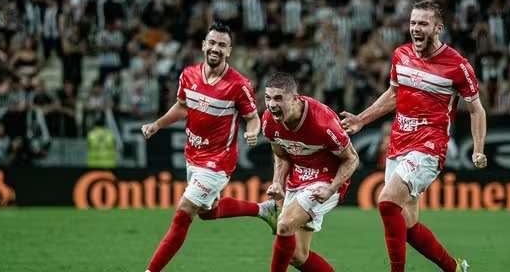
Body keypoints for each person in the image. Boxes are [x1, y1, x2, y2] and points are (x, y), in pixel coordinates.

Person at [340, 0, 487, 272]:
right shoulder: (401, 55)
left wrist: (478, 149)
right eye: (412, 23)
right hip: (398, 143)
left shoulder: (458, 66)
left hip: (429, 146)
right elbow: (394, 94)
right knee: (406, 225)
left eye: (423, 23)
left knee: (386, 202)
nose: (415, 28)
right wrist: (361, 119)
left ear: (438, 27)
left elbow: (476, 110)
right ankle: (455, 268)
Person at [141, 22, 279, 272]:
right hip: (193, 156)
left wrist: (251, 132)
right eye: (212, 42)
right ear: (204, 45)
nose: (216, 48)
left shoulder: (239, 84)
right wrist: (157, 124)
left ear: (229, 51)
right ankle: (263, 210)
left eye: (222, 45)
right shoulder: (189, 74)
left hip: (218, 161)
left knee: (183, 212)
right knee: (207, 212)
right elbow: (183, 106)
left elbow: (252, 116)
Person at [262, 72, 359, 272]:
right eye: (268, 98)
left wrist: (331, 189)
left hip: (325, 180)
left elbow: (352, 159)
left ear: (295, 99)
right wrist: (278, 182)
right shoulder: (269, 121)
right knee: (297, 256)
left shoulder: (322, 122)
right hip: (298, 179)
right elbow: (281, 155)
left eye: (279, 98)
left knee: (284, 225)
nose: (272, 104)